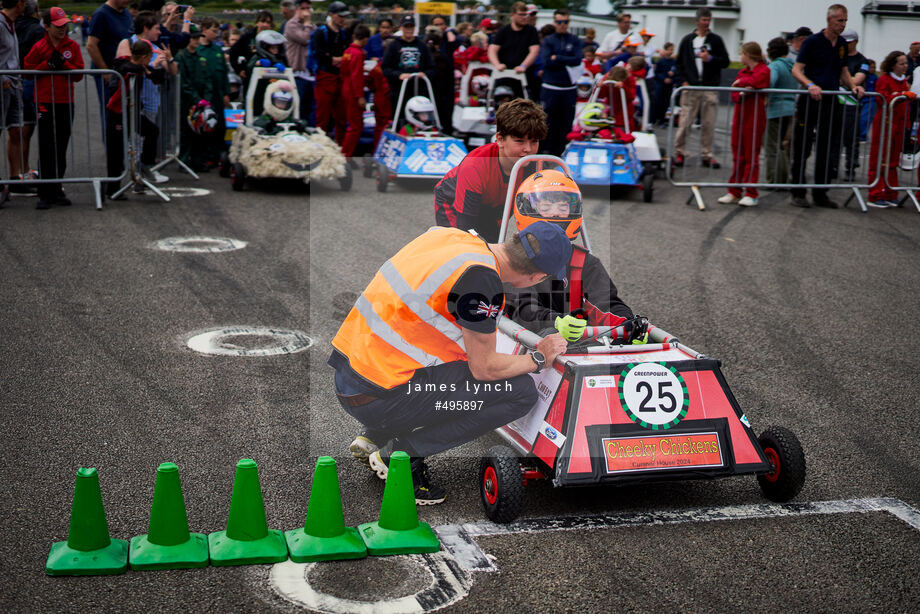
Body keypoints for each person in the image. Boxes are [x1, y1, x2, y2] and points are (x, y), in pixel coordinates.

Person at [331, 221, 572, 503]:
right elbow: (484, 369)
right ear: (537, 276)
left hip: (351, 375)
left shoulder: (450, 236)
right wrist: (540, 357)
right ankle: (404, 455)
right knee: (519, 392)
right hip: (379, 397)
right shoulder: (481, 281)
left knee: (455, 358)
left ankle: (378, 432)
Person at [505, 170, 635, 335]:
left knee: (640, 334)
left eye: (562, 206)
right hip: (531, 339)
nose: (555, 213)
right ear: (527, 209)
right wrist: (558, 322)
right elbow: (523, 310)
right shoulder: (517, 259)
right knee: (551, 334)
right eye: (546, 206)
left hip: (581, 340)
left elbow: (608, 303)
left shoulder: (585, 263)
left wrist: (628, 324)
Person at [434, 98, 547, 242]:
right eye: (519, 141)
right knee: (461, 246)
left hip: (491, 204)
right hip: (452, 202)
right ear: (499, 139)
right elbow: (466, 228)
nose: (528, 149)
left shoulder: (536, 166)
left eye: (534, 142)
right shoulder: (475, 166)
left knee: (494, 248)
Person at [789, 4, 865, 209]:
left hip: (831, 100)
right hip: (811, 100)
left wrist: (853, 87)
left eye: (845, 21)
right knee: (803, 146)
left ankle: (821, 192)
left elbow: (843, 71)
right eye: (840, 20)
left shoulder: (841, 44)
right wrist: (810, 85)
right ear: (829, 19)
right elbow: (797, 70)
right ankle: (798, 191)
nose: (843, 25)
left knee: (827, 145)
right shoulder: (812, 42)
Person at [23, 6, 84, 209]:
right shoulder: (40, 46)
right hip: (45, 102)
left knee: (61, 146)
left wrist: (64, 66)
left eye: (64, 25)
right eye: (57, 26)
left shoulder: (72, 47)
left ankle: (57, 189)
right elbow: (27, 70)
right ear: (47, 26)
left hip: (66, 102)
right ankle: (44, 192)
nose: (62, 29)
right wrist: (46, 65)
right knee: (47, 146)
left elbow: (79, 74)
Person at [114, 10, 177, 185]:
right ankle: (129, 180)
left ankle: (140, 178)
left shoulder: (156, 48)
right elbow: (126, 67)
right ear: (145, 28)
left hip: (150, 103)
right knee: (131, 144)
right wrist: (151, 65)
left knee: (144, 141)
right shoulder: (128, 43)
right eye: (157, 28)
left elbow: (172, 72)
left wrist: (169, 60)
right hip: (129, 104)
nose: (159, 32)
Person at [672, 7, 729, 169]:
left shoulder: (716, 40)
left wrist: (710, 58)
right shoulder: (687, 40)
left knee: (708, 123)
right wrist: (683, 81)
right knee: (685, 122)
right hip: (690, 87)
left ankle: (707, 154)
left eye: (709, 20)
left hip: (709, 87)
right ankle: (680, 152)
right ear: (697, 21)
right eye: (704, 20)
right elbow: (679, 64)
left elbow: (725, 61)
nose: (706, 23)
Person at [717, 42, 770, 207]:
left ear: (748, 55)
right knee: (737, 152)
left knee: (751, 155)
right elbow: (735, 94)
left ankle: (751, 193)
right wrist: (743, 86)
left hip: (754, 116)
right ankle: (734, 190)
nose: (740, 57)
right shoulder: (742, 71)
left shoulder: (764, 70)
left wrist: (743, 84)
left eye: (742, 54)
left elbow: (756, 82)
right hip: (740, 115)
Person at [867, 51, 914, 207]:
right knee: (879, 158)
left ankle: (890, 192)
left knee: (893, 160)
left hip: (899, 125)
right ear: (893, 65)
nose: (905, 66)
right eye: (901, 63)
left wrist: (907, 125)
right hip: (885, 123)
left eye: (906, 63)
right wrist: (901, 94)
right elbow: (882, 99)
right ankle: (875, 194)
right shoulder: (884, 80)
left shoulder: (904, 82)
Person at [538, 9, 581, 157]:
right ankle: (545, 151)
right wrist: (563, 59)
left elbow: (577, 59)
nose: (562, 25)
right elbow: (547, 61)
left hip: (568, 88)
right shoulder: (549, 40)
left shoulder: (574, 39)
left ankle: (562, 152)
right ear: (555, 22)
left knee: (566, 122)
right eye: (559, 22)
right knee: (547, 121)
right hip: (551, 87)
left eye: (565, 22)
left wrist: (558, 58)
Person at [87, 0, 134, 134]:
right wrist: (106, 72)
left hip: (123, 74)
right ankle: (111, 152)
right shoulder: (101, 14)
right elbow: (91, 45)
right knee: (110, 117)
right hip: (109, 77)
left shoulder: (126, 13)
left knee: (123, 117)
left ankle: (122, 151)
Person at [13, 0, 42, 191]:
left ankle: (19, 172)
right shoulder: (37, 30)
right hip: (28, 79)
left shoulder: (13, 25)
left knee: (18, 130)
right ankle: (23, 172)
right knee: (28, 128)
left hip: (16, 78)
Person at [311, 1, 350, 144]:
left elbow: (347, 55)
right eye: (340, 16)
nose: (342, 19)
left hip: (340, 79)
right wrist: (335, 59)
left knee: (341, 117)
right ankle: (319, 146)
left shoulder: (344, 34)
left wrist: (337, 59)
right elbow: (319, 54)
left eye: (344, 16)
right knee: (322, 117)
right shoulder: (321, 33)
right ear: (331, 15)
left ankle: (340, 147)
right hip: (325, 78)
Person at [196, 17, 231, 168]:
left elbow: (224, 73)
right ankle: (205, 156)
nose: (216, 34)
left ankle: (218, 156)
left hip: (218, 93)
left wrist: (226, 93)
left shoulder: (217, 50)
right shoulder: (197, 49)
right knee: (205, 126)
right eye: (213, 31)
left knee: (220, 126)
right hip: (203, 95)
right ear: (204, 30)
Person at [835, 29, 869, 182]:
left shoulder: (862, 61)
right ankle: (832, 167)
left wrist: (844, 80)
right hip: (835, 103)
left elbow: (856, 80)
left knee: (851, 139)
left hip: (852, 105)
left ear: (855, 42)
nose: (846, 45)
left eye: (849, 42)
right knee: (834, 137)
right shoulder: (837, 57)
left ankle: (851, 168)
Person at [1, 0, 27, 192]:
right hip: (3, 83)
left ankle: (14, 178)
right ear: (18, 4)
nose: (26, 5)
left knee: (16, 130)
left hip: (13, 83)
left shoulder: (11, 24)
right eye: (24, 2)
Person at [488, 2, 539, 100]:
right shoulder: (503, 31)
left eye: (526, 14)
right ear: (513, 15)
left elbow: (534, 51)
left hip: (524, 76)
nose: (524, 17)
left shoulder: (531, 31)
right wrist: (497, 64)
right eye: (521, 14)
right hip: (504, 75)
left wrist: (523, 66)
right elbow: (492, 50)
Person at [381, 15, 434, 110]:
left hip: (419, 90)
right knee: (399, 118)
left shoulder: (422, 46)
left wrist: (424, 74)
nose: (409, 29)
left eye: (411, 26)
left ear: (414, 28)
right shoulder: (393, 46)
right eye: (406, 27)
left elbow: (432, 68)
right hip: (399, 91)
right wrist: (399, 75)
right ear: (401, 28)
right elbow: (385, 68)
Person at [764, 37, 797, 184]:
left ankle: (774, 179)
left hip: (776, 109)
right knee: (783, 145)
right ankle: (783, 177)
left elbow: (770, 81)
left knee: (772, 146)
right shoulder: (792, 65)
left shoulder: (775, 66)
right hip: (790, 108)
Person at [340, 23, 369, 158]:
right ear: (365, 39)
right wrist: (360, 96)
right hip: (353, 92)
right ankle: (345, 155)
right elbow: (356, 76)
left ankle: (345, 154)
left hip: (345, 89)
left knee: (351, 124)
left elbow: (344, 72)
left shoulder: (347, 52)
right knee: (355, 126)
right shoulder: (357, 54)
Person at [284, 0, 314, 124]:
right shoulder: (291, 25)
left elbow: (315, 39)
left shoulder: (312, 26)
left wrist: (308, 24)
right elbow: (305, 39)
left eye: (308, 8)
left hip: (310, 74)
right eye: (303, 8)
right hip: (296, 73)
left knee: (310, 108)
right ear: (297, 9)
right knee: (298, 107)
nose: (306, 11)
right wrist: (307, 24)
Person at [650, 42, 675, 126]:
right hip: (660, 84)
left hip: (669, 85)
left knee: (666, 102)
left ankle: (662, 119)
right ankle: (653, 119)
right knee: (657, 101)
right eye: (669, 49)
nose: (671, 51)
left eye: (672, 50)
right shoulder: (660, 61)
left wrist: (672, 78)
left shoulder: (673, 61)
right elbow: (656, 72)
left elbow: (676, 71)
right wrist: (664, 79)